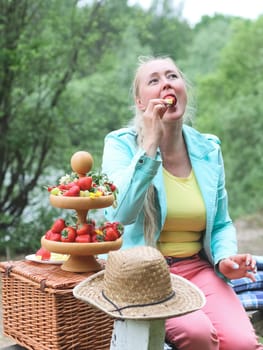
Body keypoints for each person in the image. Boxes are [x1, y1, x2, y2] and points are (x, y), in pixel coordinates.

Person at [101, 56, 262, 350]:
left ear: (183, 89)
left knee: (243, 343)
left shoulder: (208, 149)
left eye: (172, 76)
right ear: (140, 102)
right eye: (154, 80)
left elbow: (222, 222)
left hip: (198, 269)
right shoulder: (120, 145)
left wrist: (224, 258)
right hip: (146, 275)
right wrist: (150, 143)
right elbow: (121, 213)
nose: (166, 83)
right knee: (198, 335)